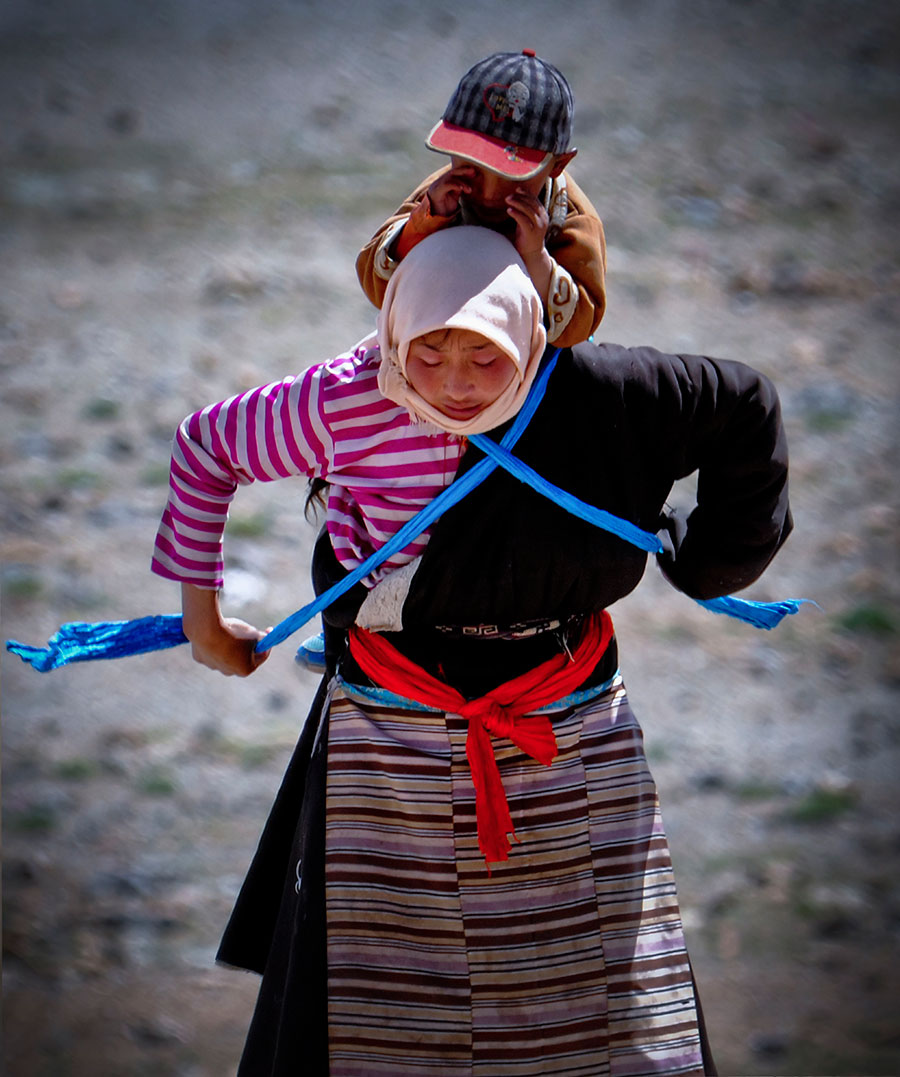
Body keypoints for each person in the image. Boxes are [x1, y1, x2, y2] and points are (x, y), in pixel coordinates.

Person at [152, 226, 792, 1075]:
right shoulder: (352, 399)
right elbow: (207, 446)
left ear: (532, 333)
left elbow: (747, 405)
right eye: (429, 353)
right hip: (389, 743)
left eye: (486, 358)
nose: (455, 384)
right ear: (393, 337)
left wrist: (709, 563)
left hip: (572, 737)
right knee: (375, 1012)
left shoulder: (602, 391)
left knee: (610, 1013)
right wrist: (204, 623)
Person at [356, 49, 607, 347]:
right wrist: (424, 224)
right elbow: (377, 285)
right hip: (443, 350)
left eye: (513, 176)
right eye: (472, 166)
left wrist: (535, 257)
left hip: (537, 364)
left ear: (558, 164)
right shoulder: (440, 193)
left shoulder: (571, 218)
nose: (489, 193)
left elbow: (578, 327)